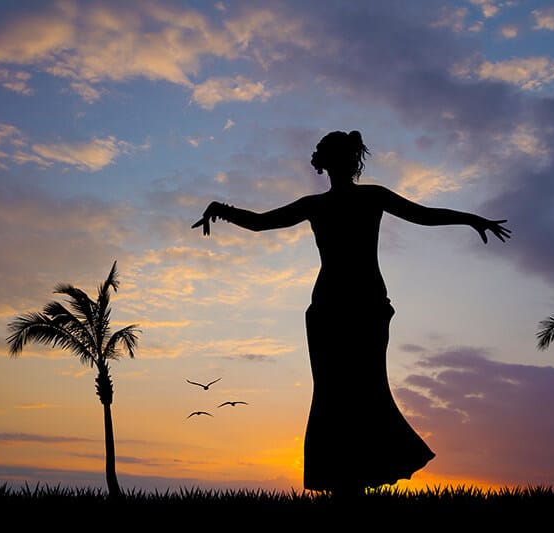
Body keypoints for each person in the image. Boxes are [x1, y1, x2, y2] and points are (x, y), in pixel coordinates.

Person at [192, 130, 511, 498]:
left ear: (343, 161)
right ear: (330, 162)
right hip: (333, 309)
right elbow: (264, 222)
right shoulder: (326, 203)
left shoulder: (365, 197)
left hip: (362, 306)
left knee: (363, 390)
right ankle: (347, 484)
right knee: (337, 394)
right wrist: (222, 210)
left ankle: (354, 481)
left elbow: (422, 215)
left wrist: (471, 218)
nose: (341, 163)